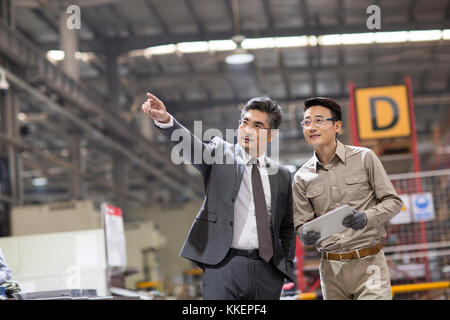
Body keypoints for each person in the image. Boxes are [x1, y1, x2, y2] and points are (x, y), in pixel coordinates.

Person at [142, 93, 296, 300]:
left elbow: (287, 227)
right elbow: (193, 148)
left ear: (271, 136)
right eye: (244, 122)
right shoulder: (219, 153)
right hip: (223, 266)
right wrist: (165, 120)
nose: (247, 129)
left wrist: (283, 265)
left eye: (258, 126)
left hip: (267, 271)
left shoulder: (282, 175)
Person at [293, 97, 403, 300]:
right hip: (331, 270)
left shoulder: (364, 158)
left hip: (369, 263)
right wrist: (305, 235)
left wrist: (366, 217)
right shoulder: (301, 177)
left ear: (337, 126)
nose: (312, 127)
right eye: (306, 122)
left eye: (319, 120)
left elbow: (394, 202)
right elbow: (302, 226)